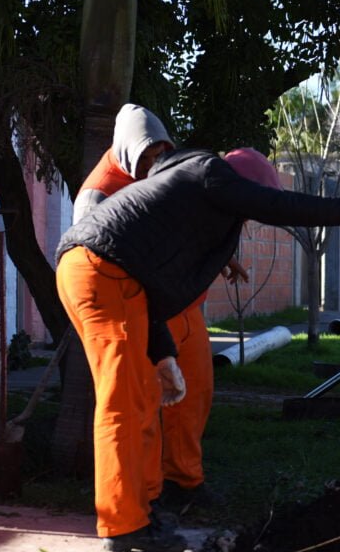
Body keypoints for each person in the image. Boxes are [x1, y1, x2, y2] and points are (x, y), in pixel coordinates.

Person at [57, 144, 340, 552]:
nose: (246, 215)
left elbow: (152, 283)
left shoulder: (187, 208)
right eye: (248, 204)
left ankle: (142, 510)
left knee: (139, 401)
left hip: (109, 275)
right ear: (243, 187)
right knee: (123, 404)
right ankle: (123, 525)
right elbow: (278, 206)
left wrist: (163, 356)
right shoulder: (208, 173)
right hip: (101, 273)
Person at [73, 104, 239, 523]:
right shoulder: (98, 194)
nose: (153, 163)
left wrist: (221, 258)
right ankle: (146, 496)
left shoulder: (165, 176)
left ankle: (185, 480)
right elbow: (91, 260)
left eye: (160, 153)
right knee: (141, 405)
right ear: (128, 152)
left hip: (183, 307)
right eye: (146, 157)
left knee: (195, 394)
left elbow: (182, 230)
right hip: (139, 310)